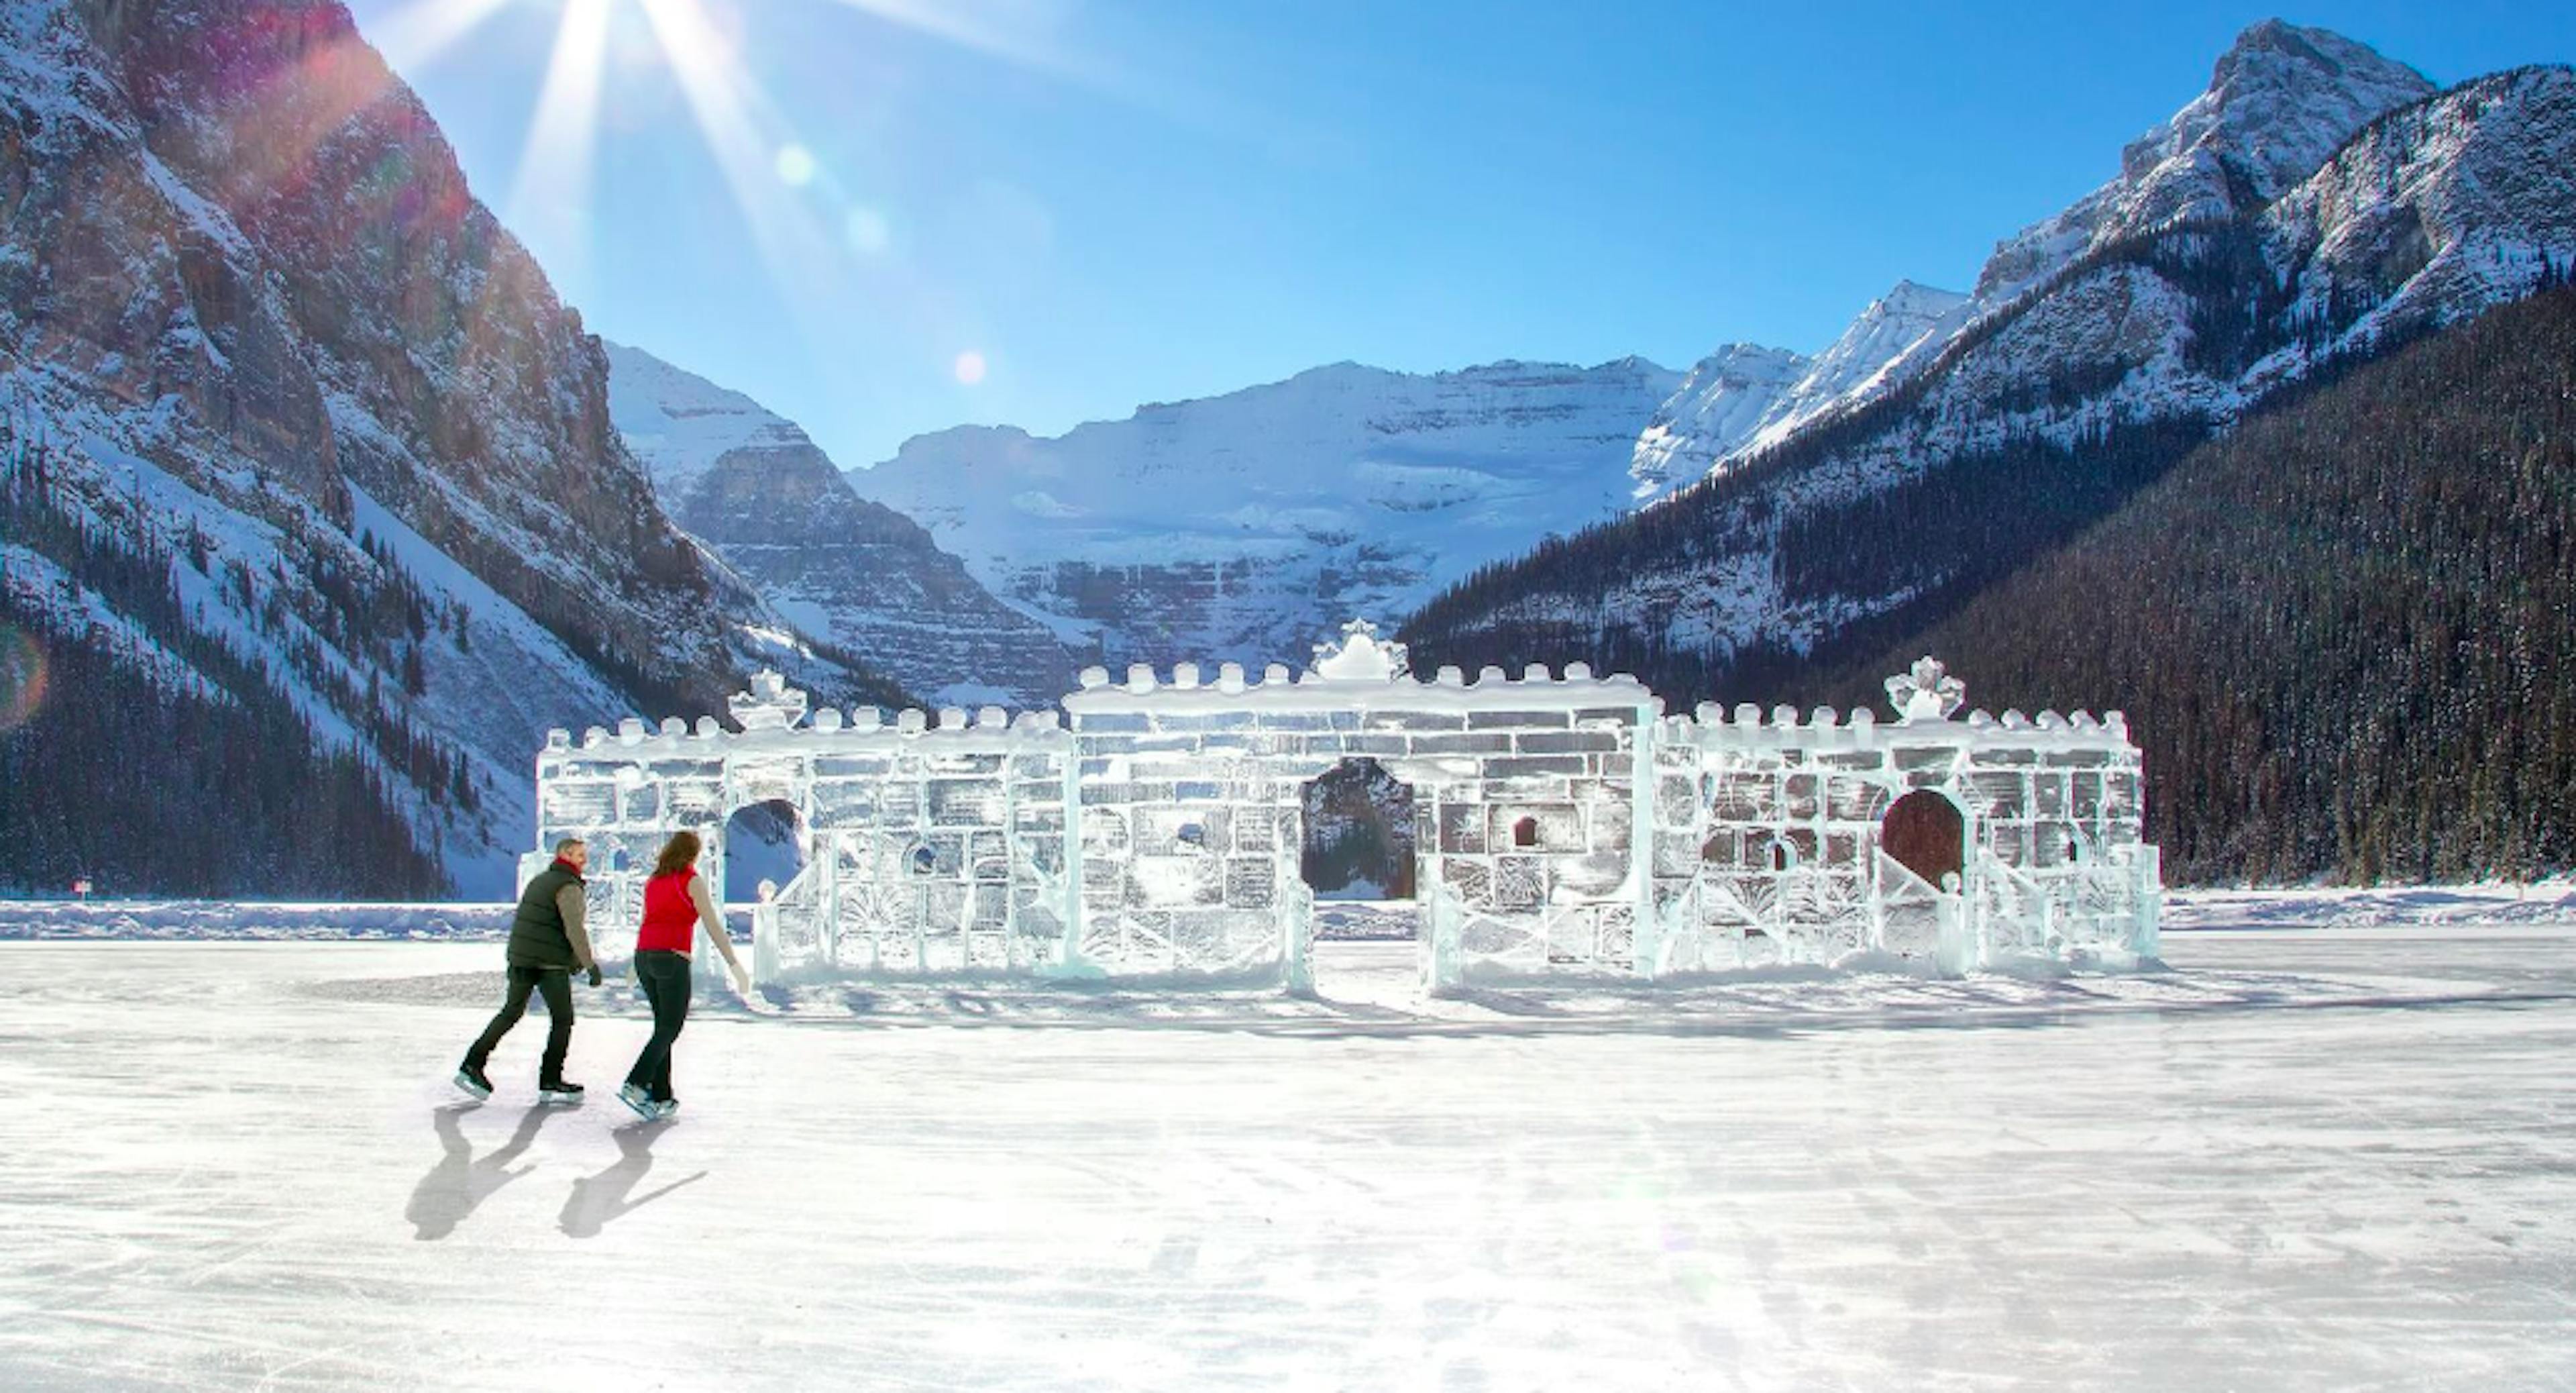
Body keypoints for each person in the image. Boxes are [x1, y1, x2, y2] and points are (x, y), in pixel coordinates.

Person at [455, 838, 600, 1104]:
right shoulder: (568, 887)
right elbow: (574, 929)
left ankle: (472, 1063)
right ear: (565, 855)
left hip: (521, 958)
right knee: (563, 1019)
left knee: (511, 1012)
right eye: (580, 855)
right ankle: (550, 1078)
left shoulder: (541, 881)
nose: (584, 860)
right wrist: (589, 964)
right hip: (548, 964)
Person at [620, 830, 751, 1121]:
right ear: (693, 854)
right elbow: (713, 925)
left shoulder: (654, 881)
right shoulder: (691, 881)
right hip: (672, 958)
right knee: (671, 1027)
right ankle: (637, 1081)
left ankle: (662, 1095)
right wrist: (734, 964)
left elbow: (646, 920)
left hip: (645, 956)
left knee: (662, 1028)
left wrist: (634, 964)